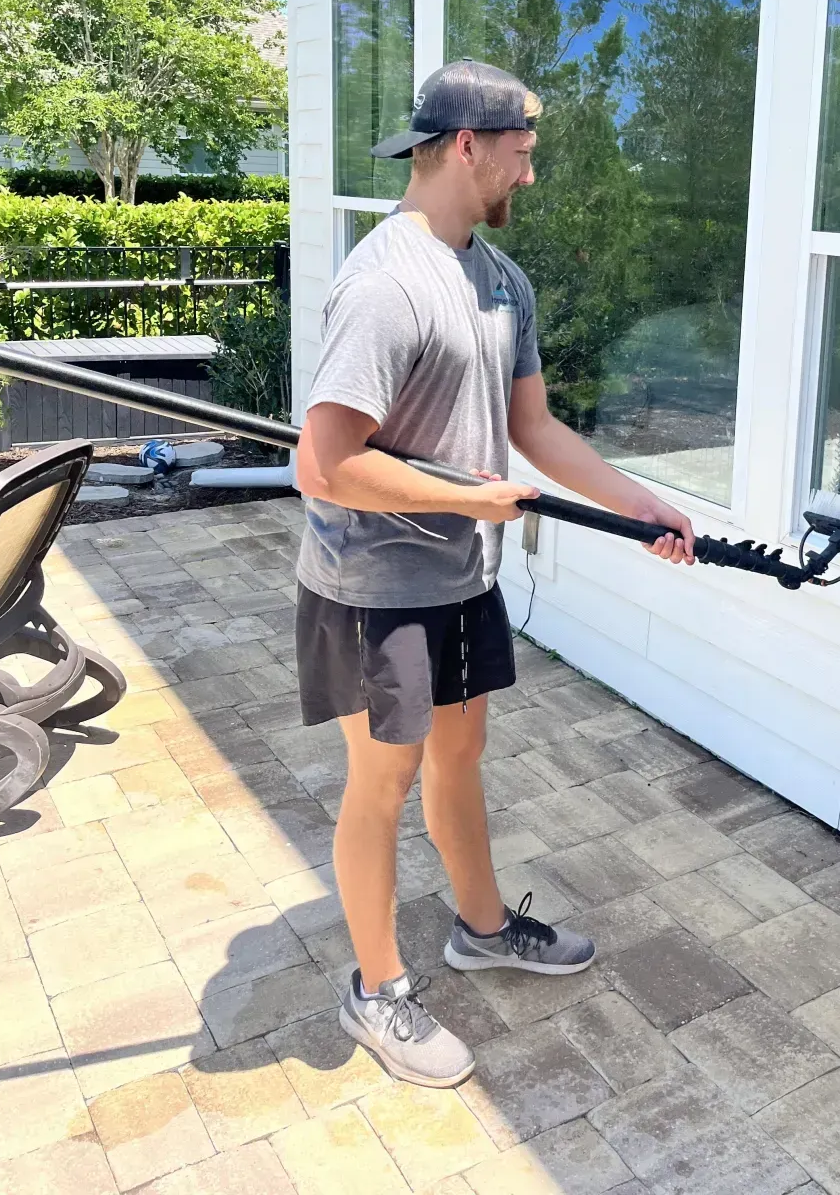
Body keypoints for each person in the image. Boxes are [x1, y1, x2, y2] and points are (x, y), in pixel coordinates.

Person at [295, 58, 695, 1089]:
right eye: (520, 155)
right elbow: (326, 461)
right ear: (465, 146)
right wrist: (468, 499)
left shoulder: (501, 279)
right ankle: (377, 989)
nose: (529, 176)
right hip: (375, 586)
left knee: (460, 755)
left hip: (462, 576)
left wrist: (635, 502)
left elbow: (532, 428)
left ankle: (478, 927)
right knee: (382, 781)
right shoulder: (385, 285)